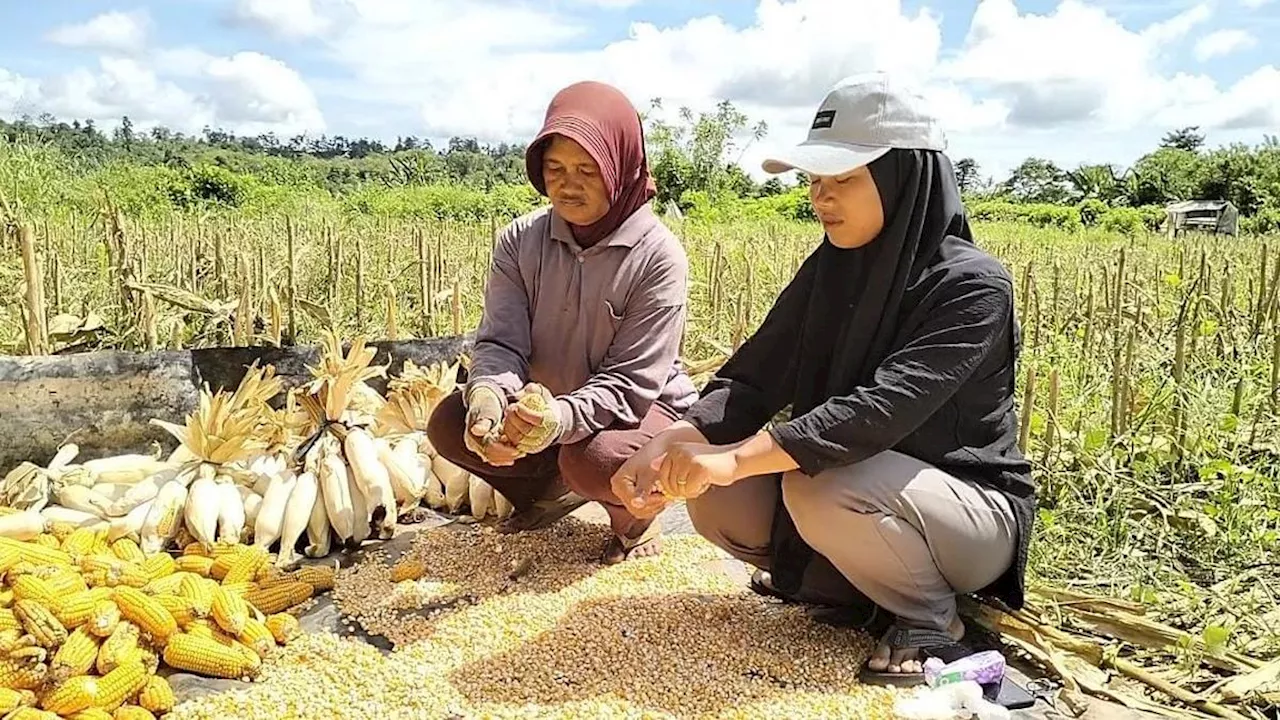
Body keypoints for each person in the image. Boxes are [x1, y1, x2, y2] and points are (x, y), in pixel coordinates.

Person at [611, 72, 1035, 687]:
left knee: (814, 482)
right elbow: (756, 375)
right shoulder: (830, 272)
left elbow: (879, 410)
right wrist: (667, 446)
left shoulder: (970, 286)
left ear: (903, 179)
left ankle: (929, 618)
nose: (820, 197)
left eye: (842, 180)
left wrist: (735, 459)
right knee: (714, 493)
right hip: (861, 491)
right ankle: (848, 588)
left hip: (968, 515)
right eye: (815, 180)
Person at [426, 80, 698, 565]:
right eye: (555, 169)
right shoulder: (520, 241)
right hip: (545, 409)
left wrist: (558, 421)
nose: (568, 185)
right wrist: (488, 396)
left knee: (595, 460)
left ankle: (634, 520)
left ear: (621, 167)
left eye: (587, 170)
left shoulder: (658, 258)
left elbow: (631, 383)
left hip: (639, 412)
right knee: (451, 424)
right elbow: (501, 341)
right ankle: (545, 494)